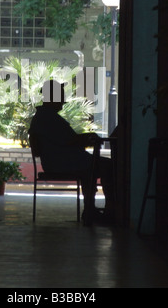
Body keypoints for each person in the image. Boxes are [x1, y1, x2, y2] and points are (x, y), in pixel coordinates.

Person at [28, 79, 115, 225]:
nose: (63, 101)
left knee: (94, 167)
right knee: (107, 166)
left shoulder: (45, 117)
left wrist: (85, 138)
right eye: (61, 97)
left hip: (61, 160)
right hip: (61, 163)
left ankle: (90, 209)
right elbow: (69, 140)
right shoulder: (49, 118)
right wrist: (89, 137)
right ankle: (107, 210)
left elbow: (68, 139)